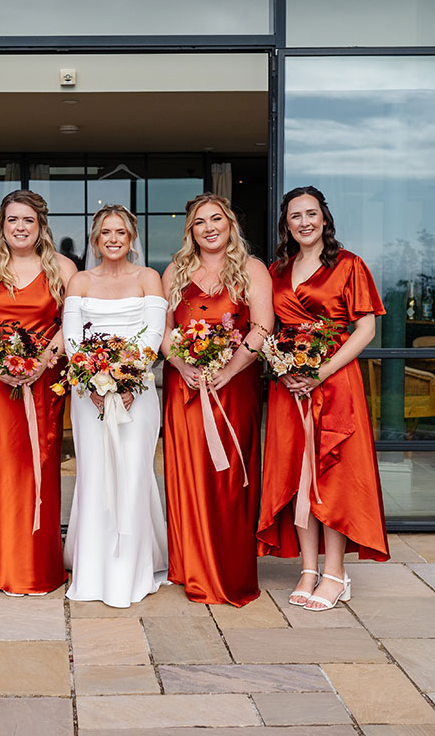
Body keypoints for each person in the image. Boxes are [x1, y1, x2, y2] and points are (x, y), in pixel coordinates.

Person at [257, 186, 389, 612]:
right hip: (289, 388)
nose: (304, 222)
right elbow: (267, 329)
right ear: (286, 224)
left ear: (325, 218)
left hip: (334, 382)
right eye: (295, 216)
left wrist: (321, 372)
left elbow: (365, 329)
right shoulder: (277, 270)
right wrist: (282, 367)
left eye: (311, 214)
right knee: (297, 473)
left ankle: (335, 572)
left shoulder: (349, 265)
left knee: (333, 474)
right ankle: (308, 569)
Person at [0, 190, 77, 595]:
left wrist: (41, 362)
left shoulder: (63, 267)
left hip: (44, 379)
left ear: (41, 225)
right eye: (13, 220)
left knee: (36, 466)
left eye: (28, 220)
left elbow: (71, 323)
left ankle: (32, 565)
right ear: (2, 224)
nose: (20, 227)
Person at [160, 193, 272, 607]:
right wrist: (180, 363)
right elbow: (164, 330)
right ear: (190, 230)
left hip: (234, 387)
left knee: (229, 478)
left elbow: (262, 327)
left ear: (230, 225)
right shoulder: (175, 271)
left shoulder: (251, 268)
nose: (209, 228)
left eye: (216, 219)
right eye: (199, 222)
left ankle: (228, 570)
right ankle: (192, 567)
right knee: (190, 475)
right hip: (185, 389)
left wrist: (230, 369)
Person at [61, 205, 168, 608]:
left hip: (137, 394)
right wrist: (92, 383)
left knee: (133, 472)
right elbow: (72, 339)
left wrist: (130, 382)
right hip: (88, 396)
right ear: (95, 238)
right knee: (96, 474)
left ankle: (130, 572)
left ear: (131, 237)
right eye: (105, 232)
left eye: (120, 232)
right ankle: (94, 571)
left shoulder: (148, 278)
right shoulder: (80, 280)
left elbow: (153, 335)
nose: (113, 239)